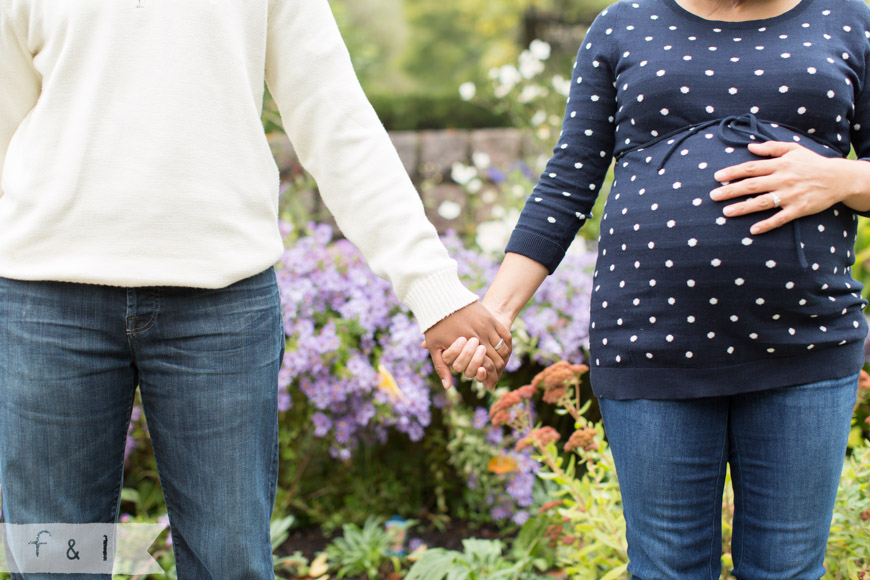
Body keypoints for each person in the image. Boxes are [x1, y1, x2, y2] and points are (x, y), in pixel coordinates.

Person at [0, 0, 510, 578]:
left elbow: (332, 115)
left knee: (230, 564)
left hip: (219, 308)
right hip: (45, 303)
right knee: (51, 565)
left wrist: (433, 288)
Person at [448, 0, 870, 577]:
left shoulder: (849, 19)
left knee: (789, 570)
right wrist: (495, 311)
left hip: (805, 342)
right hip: (650, 342)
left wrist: (840, 176)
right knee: (666, 568)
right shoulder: (624, 23)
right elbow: (569, 180)